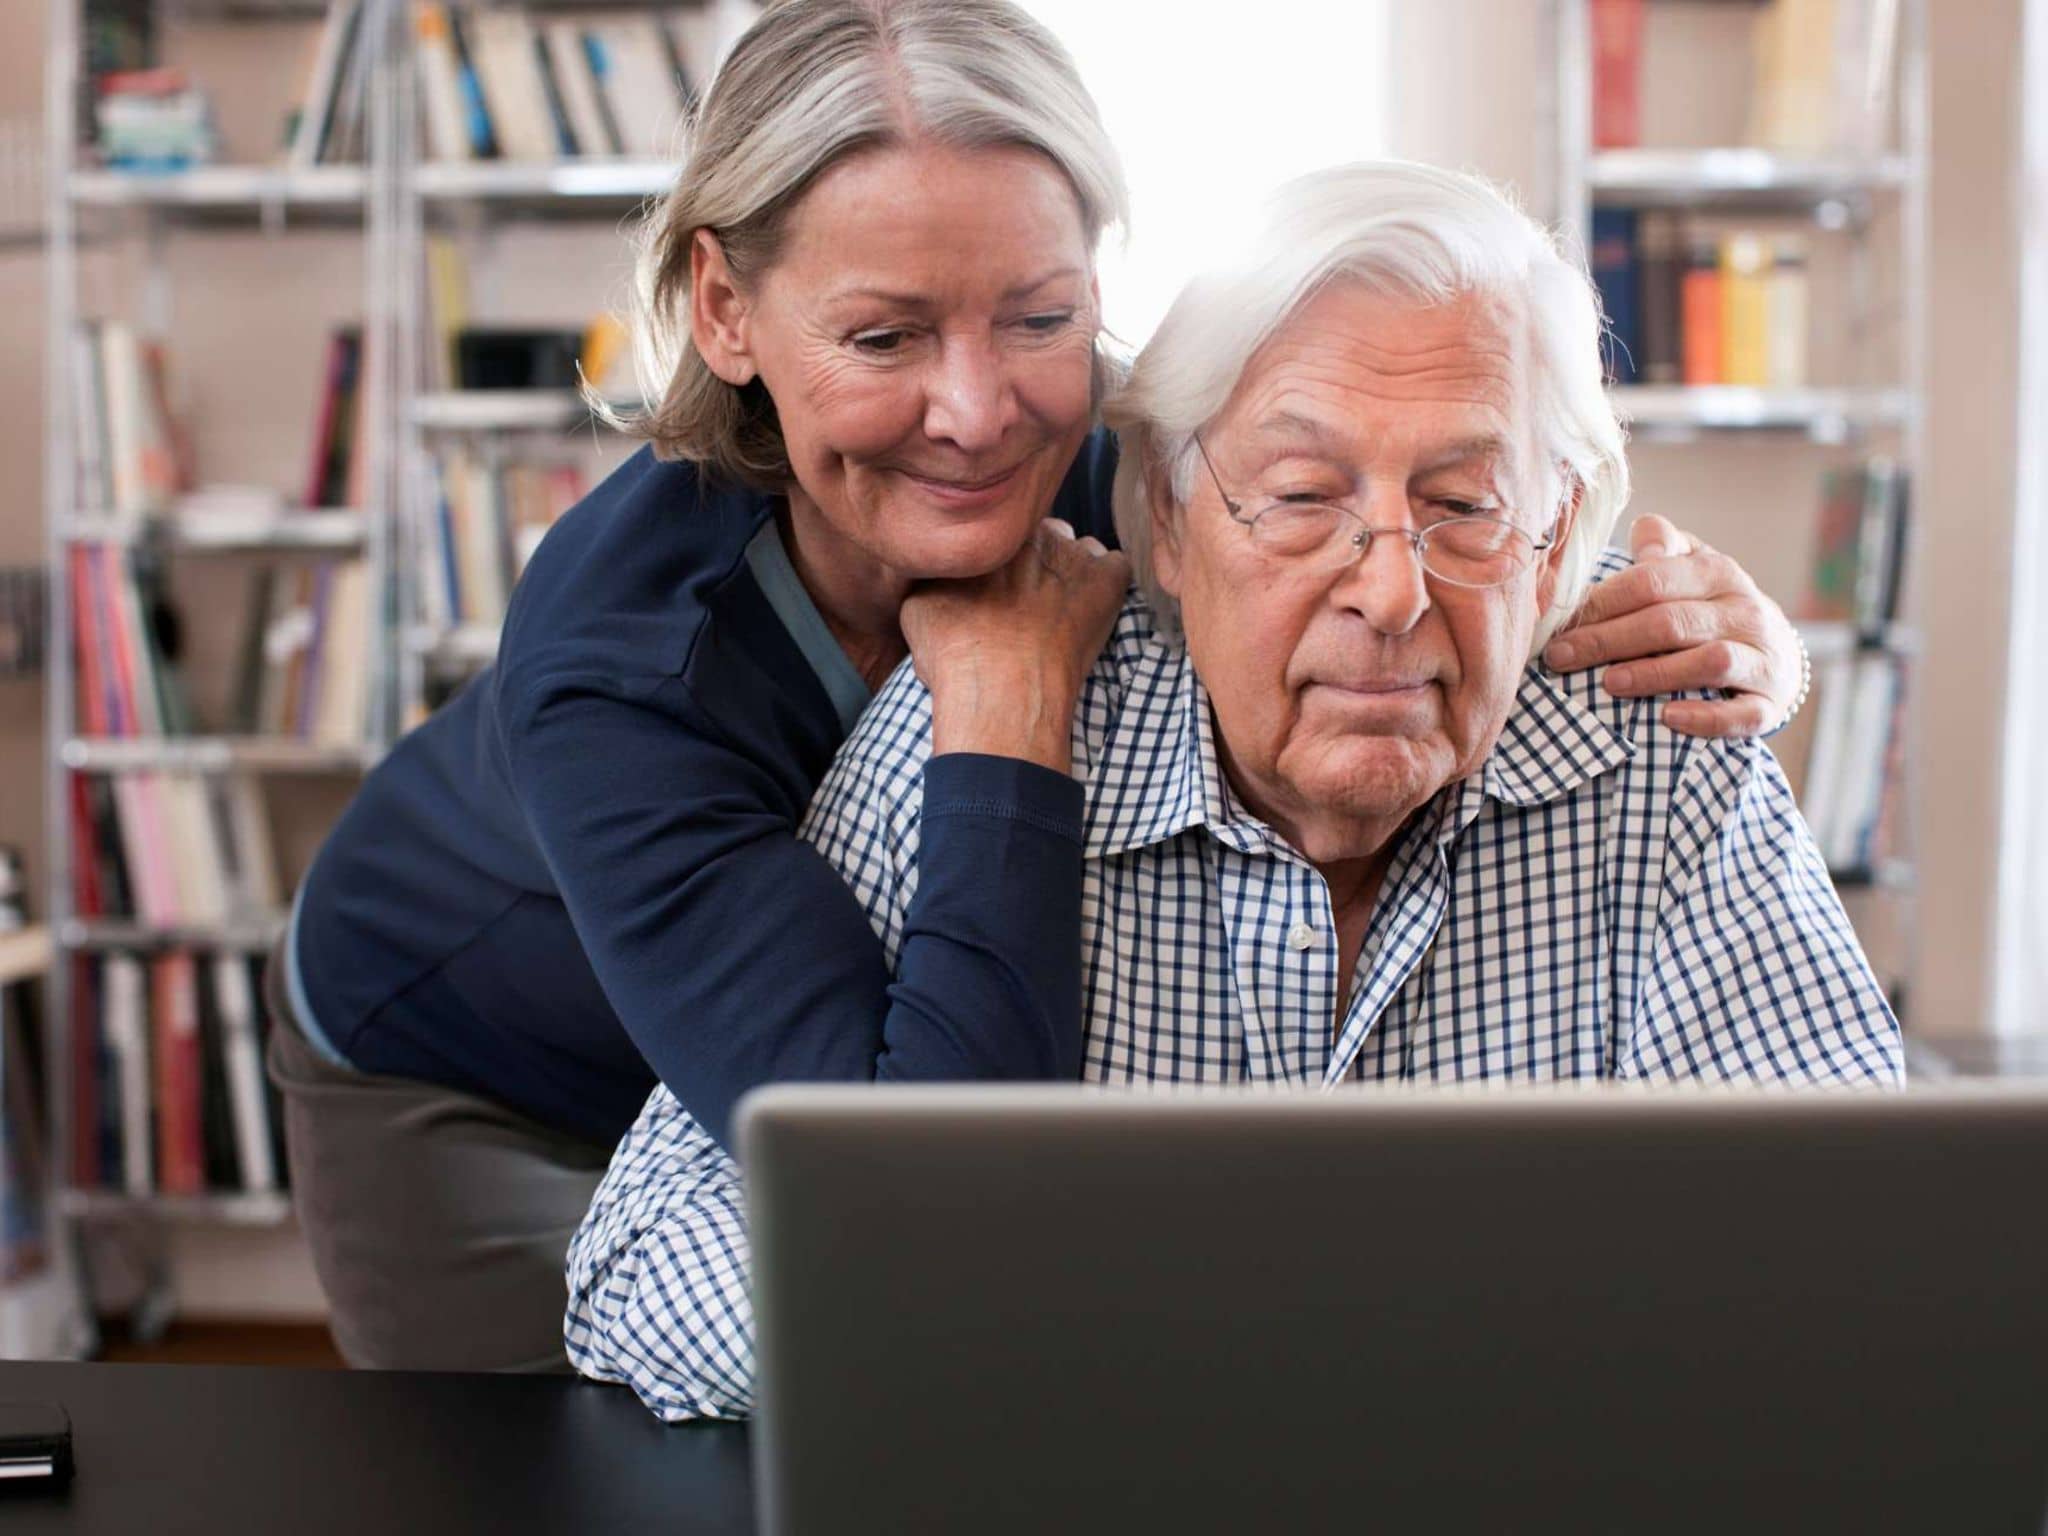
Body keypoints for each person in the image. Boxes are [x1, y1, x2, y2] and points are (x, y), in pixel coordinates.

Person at [269, 0, 1809, 1372]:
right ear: (727, 310)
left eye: (1042, 314)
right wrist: (1005, 721)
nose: (980, 410)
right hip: (483, 1070)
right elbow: (919, 1199)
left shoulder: (1124, 458)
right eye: (883, 333)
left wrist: (1733, 634)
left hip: (842, 1078)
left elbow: (1402, 499)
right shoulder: (622, 669)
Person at [564, 160, 1901, 1422]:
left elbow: (1865, 1256)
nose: (1390, 592)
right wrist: (1153, 1323)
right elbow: (643, 1277)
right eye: (1305, 498)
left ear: (1556, 540)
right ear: (1168, 526)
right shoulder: (981, 726)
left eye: (1467, 502)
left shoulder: (1655, 742)